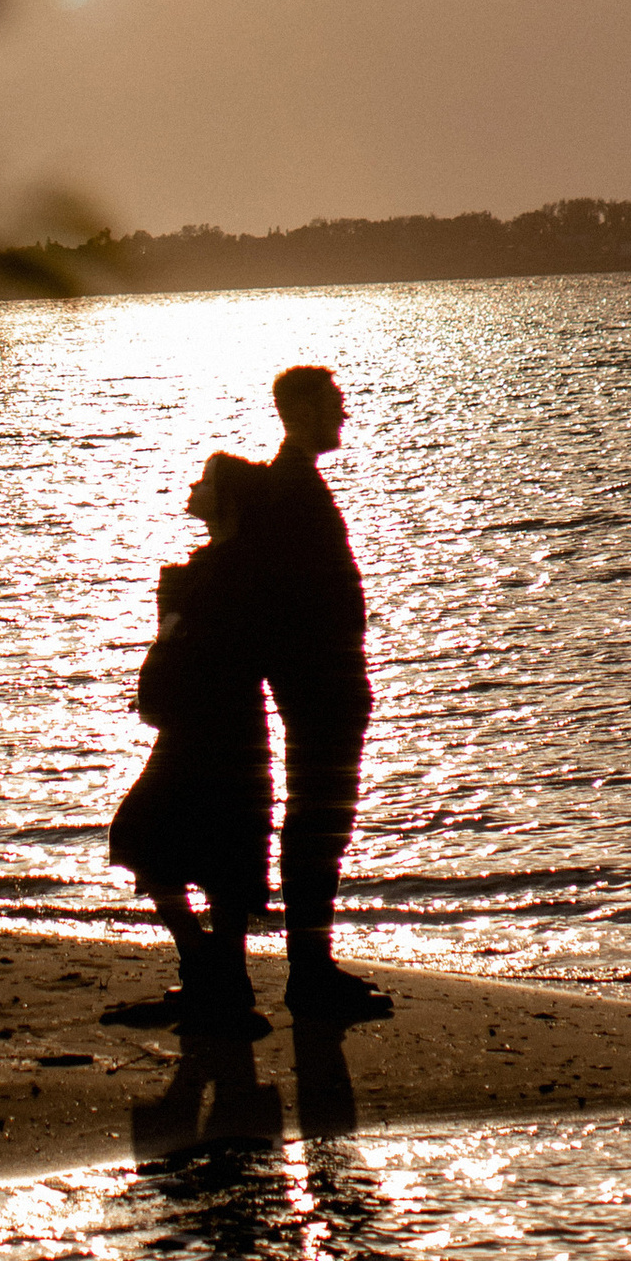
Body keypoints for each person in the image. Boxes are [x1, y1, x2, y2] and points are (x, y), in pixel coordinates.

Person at [241, 363, 394, 1025]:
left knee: (321, 821)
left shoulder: (295, 486)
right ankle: (308, 971)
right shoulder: (292, 490)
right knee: (318, 822)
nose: (345, 415)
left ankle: (313, 965)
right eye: (335, 404)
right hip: (318, 684)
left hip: (322, 681)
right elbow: (293, 601)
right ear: (301, 412)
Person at [106, 450, 270, 1030]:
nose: (193, 487)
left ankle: (220, 976)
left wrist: (175, 628)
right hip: (205, 723)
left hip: (218, 725)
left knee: (190, 845)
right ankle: (211, 970)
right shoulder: (209, 565)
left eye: (205, 482)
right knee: (159, 837)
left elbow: (215, 647)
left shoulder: (236, 568)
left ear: (226, 501)